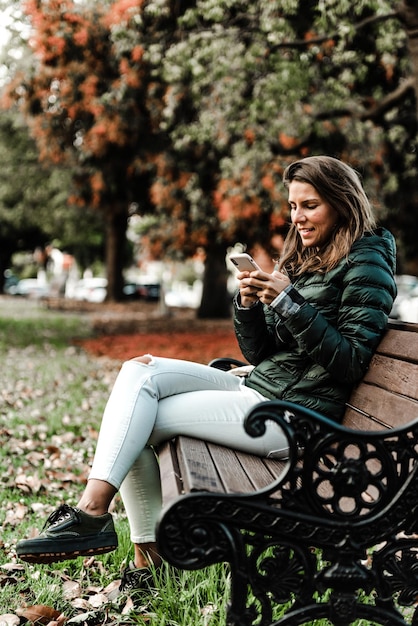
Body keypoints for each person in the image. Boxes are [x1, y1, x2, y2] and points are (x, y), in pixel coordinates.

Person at [16, 155, 397, 597]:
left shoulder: (367, 260)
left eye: (309, 206)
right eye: (293, 206)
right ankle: (103, 523)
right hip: (263, 386)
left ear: (342, 202)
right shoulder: (310, 253)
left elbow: (350, 360)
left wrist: (291, 304)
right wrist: (251, 305)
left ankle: (120, 537)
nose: (298, 217)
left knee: (138, 421)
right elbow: (262, 352)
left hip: (296, 417)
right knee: (139, 372)